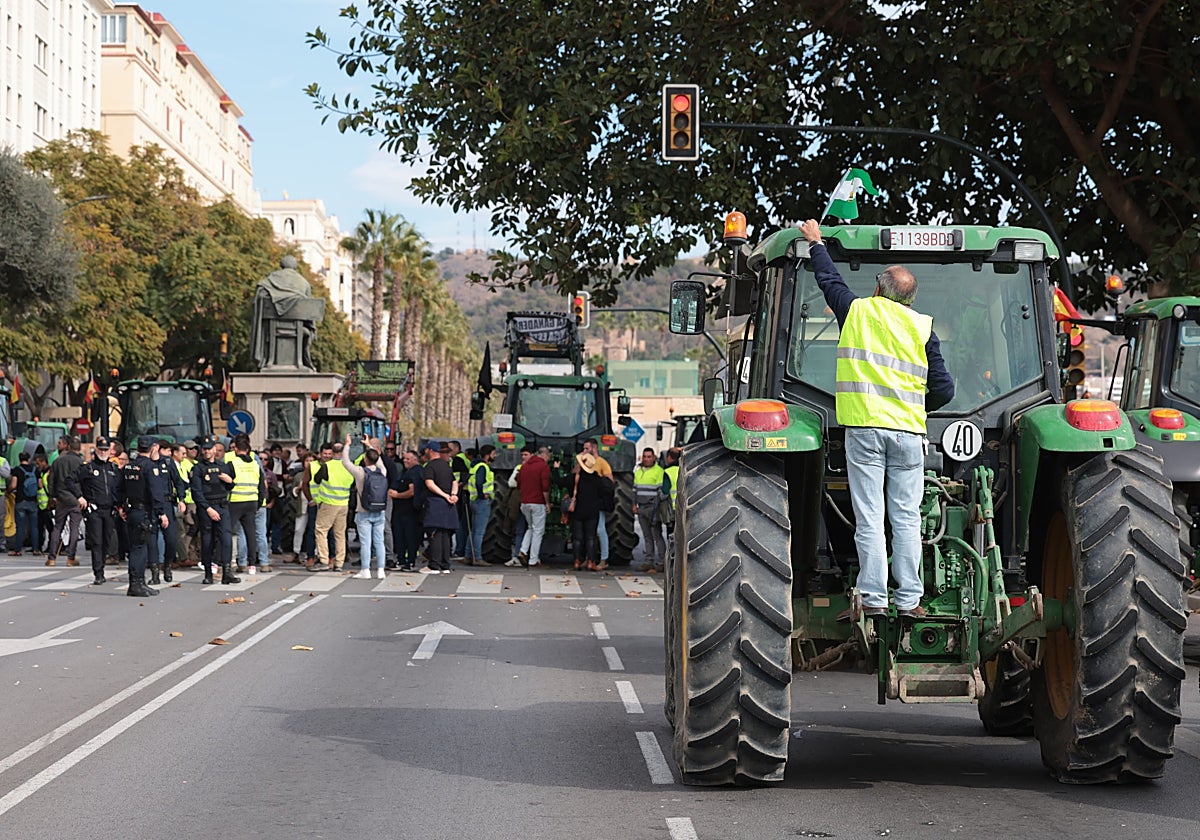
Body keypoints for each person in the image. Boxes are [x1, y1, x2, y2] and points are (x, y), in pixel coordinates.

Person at [799, 218, 955, 618]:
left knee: (869, 518)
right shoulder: (923, 328)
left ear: (877, 289)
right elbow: (944, 390)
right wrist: (915, 407)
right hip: (908, 435)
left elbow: (829, 281)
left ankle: (873, 599)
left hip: (865, 432)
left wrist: (816, 243)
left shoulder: (857, 312)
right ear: (911, 299)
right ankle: (909, 600)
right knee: (906, 519)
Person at [190, 437, 239, 585]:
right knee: (207, 541)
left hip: (222, 506)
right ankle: (208, 573)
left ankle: (227, 572)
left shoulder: (222, 466)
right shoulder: (198, 468)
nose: (207, 452)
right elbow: (196, 492)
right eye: (204, 449)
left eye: (209, 449)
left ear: (214, 450)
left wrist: (230, 481)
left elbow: (229, 486)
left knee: (226, 539)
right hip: (207, 508)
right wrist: (208, 509)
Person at [122, 437, 167, 597]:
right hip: (144, 512)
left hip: (132, 511)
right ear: (153, 448)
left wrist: (121, 506)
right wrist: (161, 512)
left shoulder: (128, 466)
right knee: (139, 549)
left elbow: (119, 488)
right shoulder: (150, 467)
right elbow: (156, 492)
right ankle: (136, 584)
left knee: (138, 547)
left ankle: (140, 583)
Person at [342, 433, 389, 580]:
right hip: (380, 511)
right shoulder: (383, 471)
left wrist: (347, 444)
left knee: (365, 543)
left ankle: (365, 570)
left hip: (363, 511)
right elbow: (379, 460)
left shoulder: (360, 472)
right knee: (379, 542)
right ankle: (381, 570)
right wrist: (369, 445)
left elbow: (345, 462)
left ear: (365, 459)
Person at [77, 436, 123, 586]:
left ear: (110, 451)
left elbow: (120, 487)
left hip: (110, 510)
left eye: (106, 450)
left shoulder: (113, 469)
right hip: (94, 510)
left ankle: (101, 566)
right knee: (97, 542)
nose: (103, 452)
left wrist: (121, 505)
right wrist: (80, 497)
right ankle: (98, 573)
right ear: (96, 450)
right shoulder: (88, 468)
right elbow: (70, 481)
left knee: (106, 542)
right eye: (101, 449)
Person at [224, 434, 266, 575]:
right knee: (251, 534)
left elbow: (226, 483)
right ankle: (252, 565)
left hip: (235, 502)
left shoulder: (232, 463)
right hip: (251, 503)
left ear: (236, 449)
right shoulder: (255, 464)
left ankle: (220, 562)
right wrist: (258, 504)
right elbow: (262, 487)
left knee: (226, 531)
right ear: (248, 449)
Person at [311, 441, 353, 572]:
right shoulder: (349, 466)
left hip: (329, 503)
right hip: (343, 503)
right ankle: (339, 563)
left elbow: (317, 479)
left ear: (332, 452)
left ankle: (323, 560)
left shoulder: (327, 466)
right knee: (340, 534)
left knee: (321, 531)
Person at [420, 441, 459, 574]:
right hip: (449, 505)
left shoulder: (429, 466)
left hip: (435, 504)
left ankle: (434, 565)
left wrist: (444, 495)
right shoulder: (446, 466)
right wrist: (453, 495)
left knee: (434, 534)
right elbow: (454, 482)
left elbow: (430, 484)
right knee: (445, 535)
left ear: (431, 451)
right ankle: (445, 565)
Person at [46, 435, 84, 567]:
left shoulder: (57, 461)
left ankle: (51, 558)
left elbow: (51, 481)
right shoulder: (81, 463)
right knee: (74, 528)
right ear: (79, 448)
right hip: (76, 498)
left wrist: (52, 496)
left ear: (68, 447)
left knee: (57, 527)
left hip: (61, 498)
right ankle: (71, 557)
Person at [513, 443, 550, 568]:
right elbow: (545, 487)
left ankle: (523, 550)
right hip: (537, 503)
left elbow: (518, 484)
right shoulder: (543, 466)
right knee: (538, 531)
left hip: (525, 503)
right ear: (544, 455)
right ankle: (533, 560)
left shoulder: (524, 467)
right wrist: (547, 503)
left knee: (530, 527)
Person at [568, 452, 606, 571]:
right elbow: (605, 490)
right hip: (592, 511)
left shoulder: (575, 477)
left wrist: (555, 469)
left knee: (577, 538)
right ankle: (591, 562)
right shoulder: (597, 478)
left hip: (577, 511)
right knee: (591, 537)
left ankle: (577, 561)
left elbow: (560, 482)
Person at [632, 447, 668, 572]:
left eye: (649, 457)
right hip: (641, 508)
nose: (646, 459)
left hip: (653, 508)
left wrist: (655, 508)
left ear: (654, 458)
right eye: (644, 456)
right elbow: (634, 490)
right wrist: (634, 505)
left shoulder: (659, 471)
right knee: (647, 536)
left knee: (657, 536)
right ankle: (648, 561)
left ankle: (662, 562)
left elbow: (661, 492)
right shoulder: (638, 472)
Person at [581, 439, 613, 567]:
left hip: (597, 502)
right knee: (587, 531)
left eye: (586, 448)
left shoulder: (602, 463)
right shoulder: (582, 462)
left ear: (594, 449)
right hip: (585, 501)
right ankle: (589, 558)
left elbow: (610, 482)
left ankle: (604, 559)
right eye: (583, 448)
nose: (584, 451)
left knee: (600, 529)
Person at [391, 449, 424, 572]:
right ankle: (401, 560)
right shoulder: (405, 472)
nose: (405, 460)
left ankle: (410, 561)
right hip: (400, 510)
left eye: (408, 459)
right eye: (404, 458)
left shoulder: (416, 472)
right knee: (400, 536)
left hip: (410, 510)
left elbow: (412, 491)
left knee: (410, 537)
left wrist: (397, 495)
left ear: (415, 460)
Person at [464, 444, 496, 566]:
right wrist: (482, 495)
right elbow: (479, 482)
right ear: (487, 455)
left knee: (473, 531)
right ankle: (477, 557)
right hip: (481, 502)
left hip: (473, 500)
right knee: (479, 532)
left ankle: (468, 555)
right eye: (493, 454)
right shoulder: (483, 467)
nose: (495, 456)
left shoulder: (475, 465)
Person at [8, 451, 40, 556]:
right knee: (34, 527)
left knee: (20, 527)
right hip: (33, 501)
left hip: (21, 501)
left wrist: (8, 491)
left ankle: (18, 550)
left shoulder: (17, 470)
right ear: (29, 459)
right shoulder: (35, 470)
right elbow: (40, 485)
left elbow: (13, 485)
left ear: (19, 459)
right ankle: (35, 549)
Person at [447, 441, 471, 558]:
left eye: (450, 448)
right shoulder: (462, 459)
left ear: (457, 448)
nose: (448, 451)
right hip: (464, 494)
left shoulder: (458, 460)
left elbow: (459, 478)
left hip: (459, 495)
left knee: (459, 523)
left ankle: (459, 549)